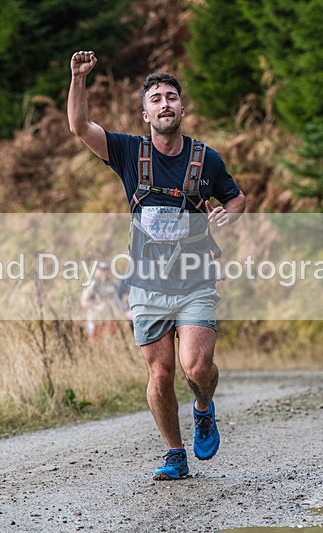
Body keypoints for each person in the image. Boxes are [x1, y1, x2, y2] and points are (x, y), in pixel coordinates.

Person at [68, 50, 246, 480]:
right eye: (156, 98)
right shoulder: (129, 153)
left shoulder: (207, 160)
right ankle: (174, 453)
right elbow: (79, 127)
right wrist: (77, 79)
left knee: (196, 367)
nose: (165, 103)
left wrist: (231, 212)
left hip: (196, 277)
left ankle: (203, 408)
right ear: (145, 112)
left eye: (171, 96)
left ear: (182, 108)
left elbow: (235, 196)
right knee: (160, 372)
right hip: (146, 282)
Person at [80, 261, 124, 340]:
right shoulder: (92, 283)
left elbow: (118, 297)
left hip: (109, 318)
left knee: (113, 341)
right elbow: (83, 302)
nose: (104, 272)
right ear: (97, 270)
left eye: (106, 269)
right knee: (94, 343)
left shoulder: (111, 283)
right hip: (95, 319)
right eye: (101, 270)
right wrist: (97, 307)